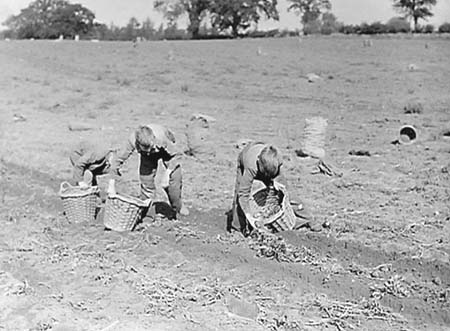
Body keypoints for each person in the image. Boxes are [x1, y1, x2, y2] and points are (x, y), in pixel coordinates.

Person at [230, 142, 322, 237]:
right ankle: (236, 229)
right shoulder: (251, 166)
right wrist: (250, 216)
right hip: (246, 157)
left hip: (268, 167)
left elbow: (284, 188)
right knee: (239, 196)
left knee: (287, 191)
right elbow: (243, 193)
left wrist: (277, 184)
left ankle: (308, 219)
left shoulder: (277, 160)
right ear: (258, 162)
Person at [112, 124, 189, 218]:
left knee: (174, 178)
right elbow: (119, 158)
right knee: (146, 183)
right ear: (138, 144)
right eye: (146, 149)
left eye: (152, 147)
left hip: (167, 152)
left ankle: (178, 206)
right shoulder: (132, 140)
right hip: (147, 158)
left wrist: (167, 173)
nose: (151, 150)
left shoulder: (161, 138)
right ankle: (148, 213)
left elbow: (177, 155)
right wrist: (113, 177)